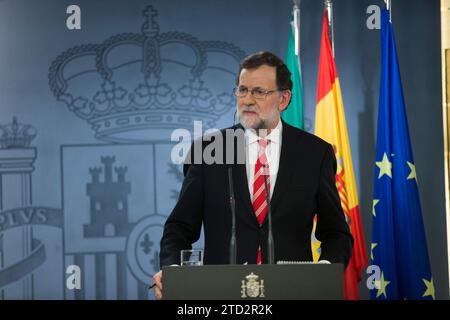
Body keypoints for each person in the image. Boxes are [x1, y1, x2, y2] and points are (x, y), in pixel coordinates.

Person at [152, 51, 353, 300]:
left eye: (259, 92)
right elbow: (179, 228)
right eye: (242, 90)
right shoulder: (209, 150)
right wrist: (173, 272)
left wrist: (322, 274)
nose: (247, 100)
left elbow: (336, 234)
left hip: (293, 293)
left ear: (283, 99)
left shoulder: (315, 154)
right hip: (221, 296)